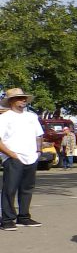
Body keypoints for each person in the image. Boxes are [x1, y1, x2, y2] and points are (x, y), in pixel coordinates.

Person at [0, 87, 45, 229]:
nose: (24, 100)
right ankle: (7, 220)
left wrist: (38, 151)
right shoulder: (5, 118)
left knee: (27, 188)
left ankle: (24, 216)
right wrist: (10, 154)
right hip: (13, 157)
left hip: (31, 156)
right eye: (20, 98)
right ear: (11, 101)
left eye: (24, 98)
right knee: (10, 189)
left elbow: (39, 135)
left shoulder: (31, 116)